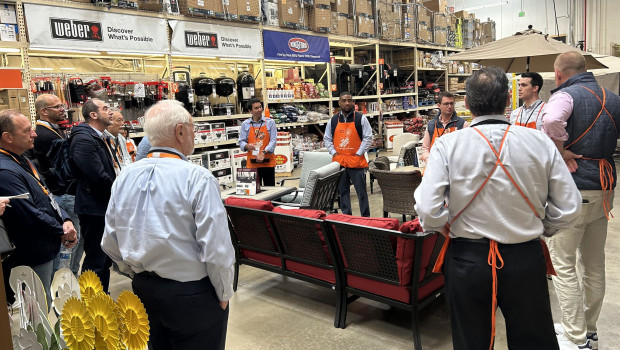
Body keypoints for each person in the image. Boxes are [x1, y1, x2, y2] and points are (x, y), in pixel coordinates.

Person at [414, 66, 582, 350]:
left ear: (465, 104)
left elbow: (428, 210)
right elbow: (569, 207)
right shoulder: (539, 141)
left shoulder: (447, 144)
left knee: (471, 341)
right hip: (524, 257)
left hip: (468, 258)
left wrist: (442, 225)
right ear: (508, 99)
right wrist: (544, 227)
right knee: (533, 340)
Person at [101, 100, 235, 350]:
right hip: (192, 295)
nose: (194, 135)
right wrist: (224, 293)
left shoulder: (125, 176)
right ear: (181, 131)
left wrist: (134, 271)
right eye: (193, 129)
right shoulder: (198, 177)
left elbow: (110, 240)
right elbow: (216, 247)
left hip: (143, 290)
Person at [542, 51, 620, 350]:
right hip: (604, 189)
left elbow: (551, 121)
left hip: (572, 191)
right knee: (594, 264)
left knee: (563, 265)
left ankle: (575, 337)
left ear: (558, 74)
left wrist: (561, 150)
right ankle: (589, 330)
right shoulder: (613, 98)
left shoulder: (565, 96)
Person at [0, 110, 77, 306]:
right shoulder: (5, 171)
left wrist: (65, 219)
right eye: (27, 131)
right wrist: (61, 230)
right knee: (38, 308)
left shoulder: (21, 159)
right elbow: (29, 214)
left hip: (46, 246)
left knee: (46, 299)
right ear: (7, 137)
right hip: (31, 253)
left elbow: (46, 195)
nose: (34, 134)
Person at [31, 94, 84, 277]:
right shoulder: (44, 135)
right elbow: (67, 165)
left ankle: (70, 277)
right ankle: (64, 282)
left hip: (66, 193)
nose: (63, 109)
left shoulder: (53, 131)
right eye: (57, 107)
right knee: (70, 241)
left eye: (62, 105)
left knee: (76, 240)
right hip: (64, 194)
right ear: (44, 111)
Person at [69, 98, 116, 292]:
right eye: (105, 108)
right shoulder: (83, 139)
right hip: (94, 207)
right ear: (93, 114)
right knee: (96, 260)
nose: (111, 112)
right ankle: (92, 306)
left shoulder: (97, 136)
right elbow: (97, 175)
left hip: (102, 206)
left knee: (103, 259)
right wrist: (118, 191)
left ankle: (101, 302)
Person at [324, 92, 372, 217]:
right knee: (343, 191)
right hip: (339, 162)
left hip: (356, 162)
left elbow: (368, 137)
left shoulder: (360, 118)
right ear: (339, 103)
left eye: (349, 100)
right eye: (344, 101)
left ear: (353, 103)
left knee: (361, 192)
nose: (347, 103)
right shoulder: (333, 120)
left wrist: (358, 153)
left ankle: (365, 218)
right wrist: (334, 152)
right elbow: (327, 138)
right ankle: (347, 217)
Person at [420, 92, 468, 163]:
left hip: (454, 167)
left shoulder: (462, 124)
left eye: (451, 103)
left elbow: (467, 149)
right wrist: (429, 160)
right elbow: (425, 148)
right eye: (446, 104)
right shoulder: (432, 125)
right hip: (435, 167)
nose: (449, 106)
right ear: (439, 105)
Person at [238, 98, 277, 186]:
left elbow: (273, 141)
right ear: (250, 111)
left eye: (260, 107)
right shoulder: (245, 124)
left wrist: (263, 153)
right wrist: (247, 146)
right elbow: (241, 141)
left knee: (270, 190)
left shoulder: (270, 122)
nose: (259, 110)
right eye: (256, 108)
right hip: (252, 163)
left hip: (267, 162)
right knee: (252, 191)